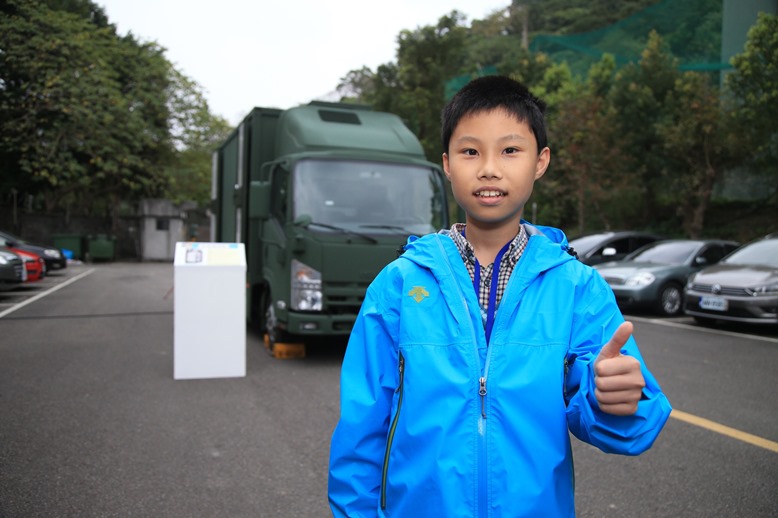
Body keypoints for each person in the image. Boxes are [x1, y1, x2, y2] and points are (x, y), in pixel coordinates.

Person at [328, 75, 672, 517]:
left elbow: (628, 425)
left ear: (540, 161)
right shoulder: (397, 285)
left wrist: (614, 401)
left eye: (510, 150)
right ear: (447, 163)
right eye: (471, 151)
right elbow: (361, 428)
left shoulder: (578, 289)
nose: (489, 168)